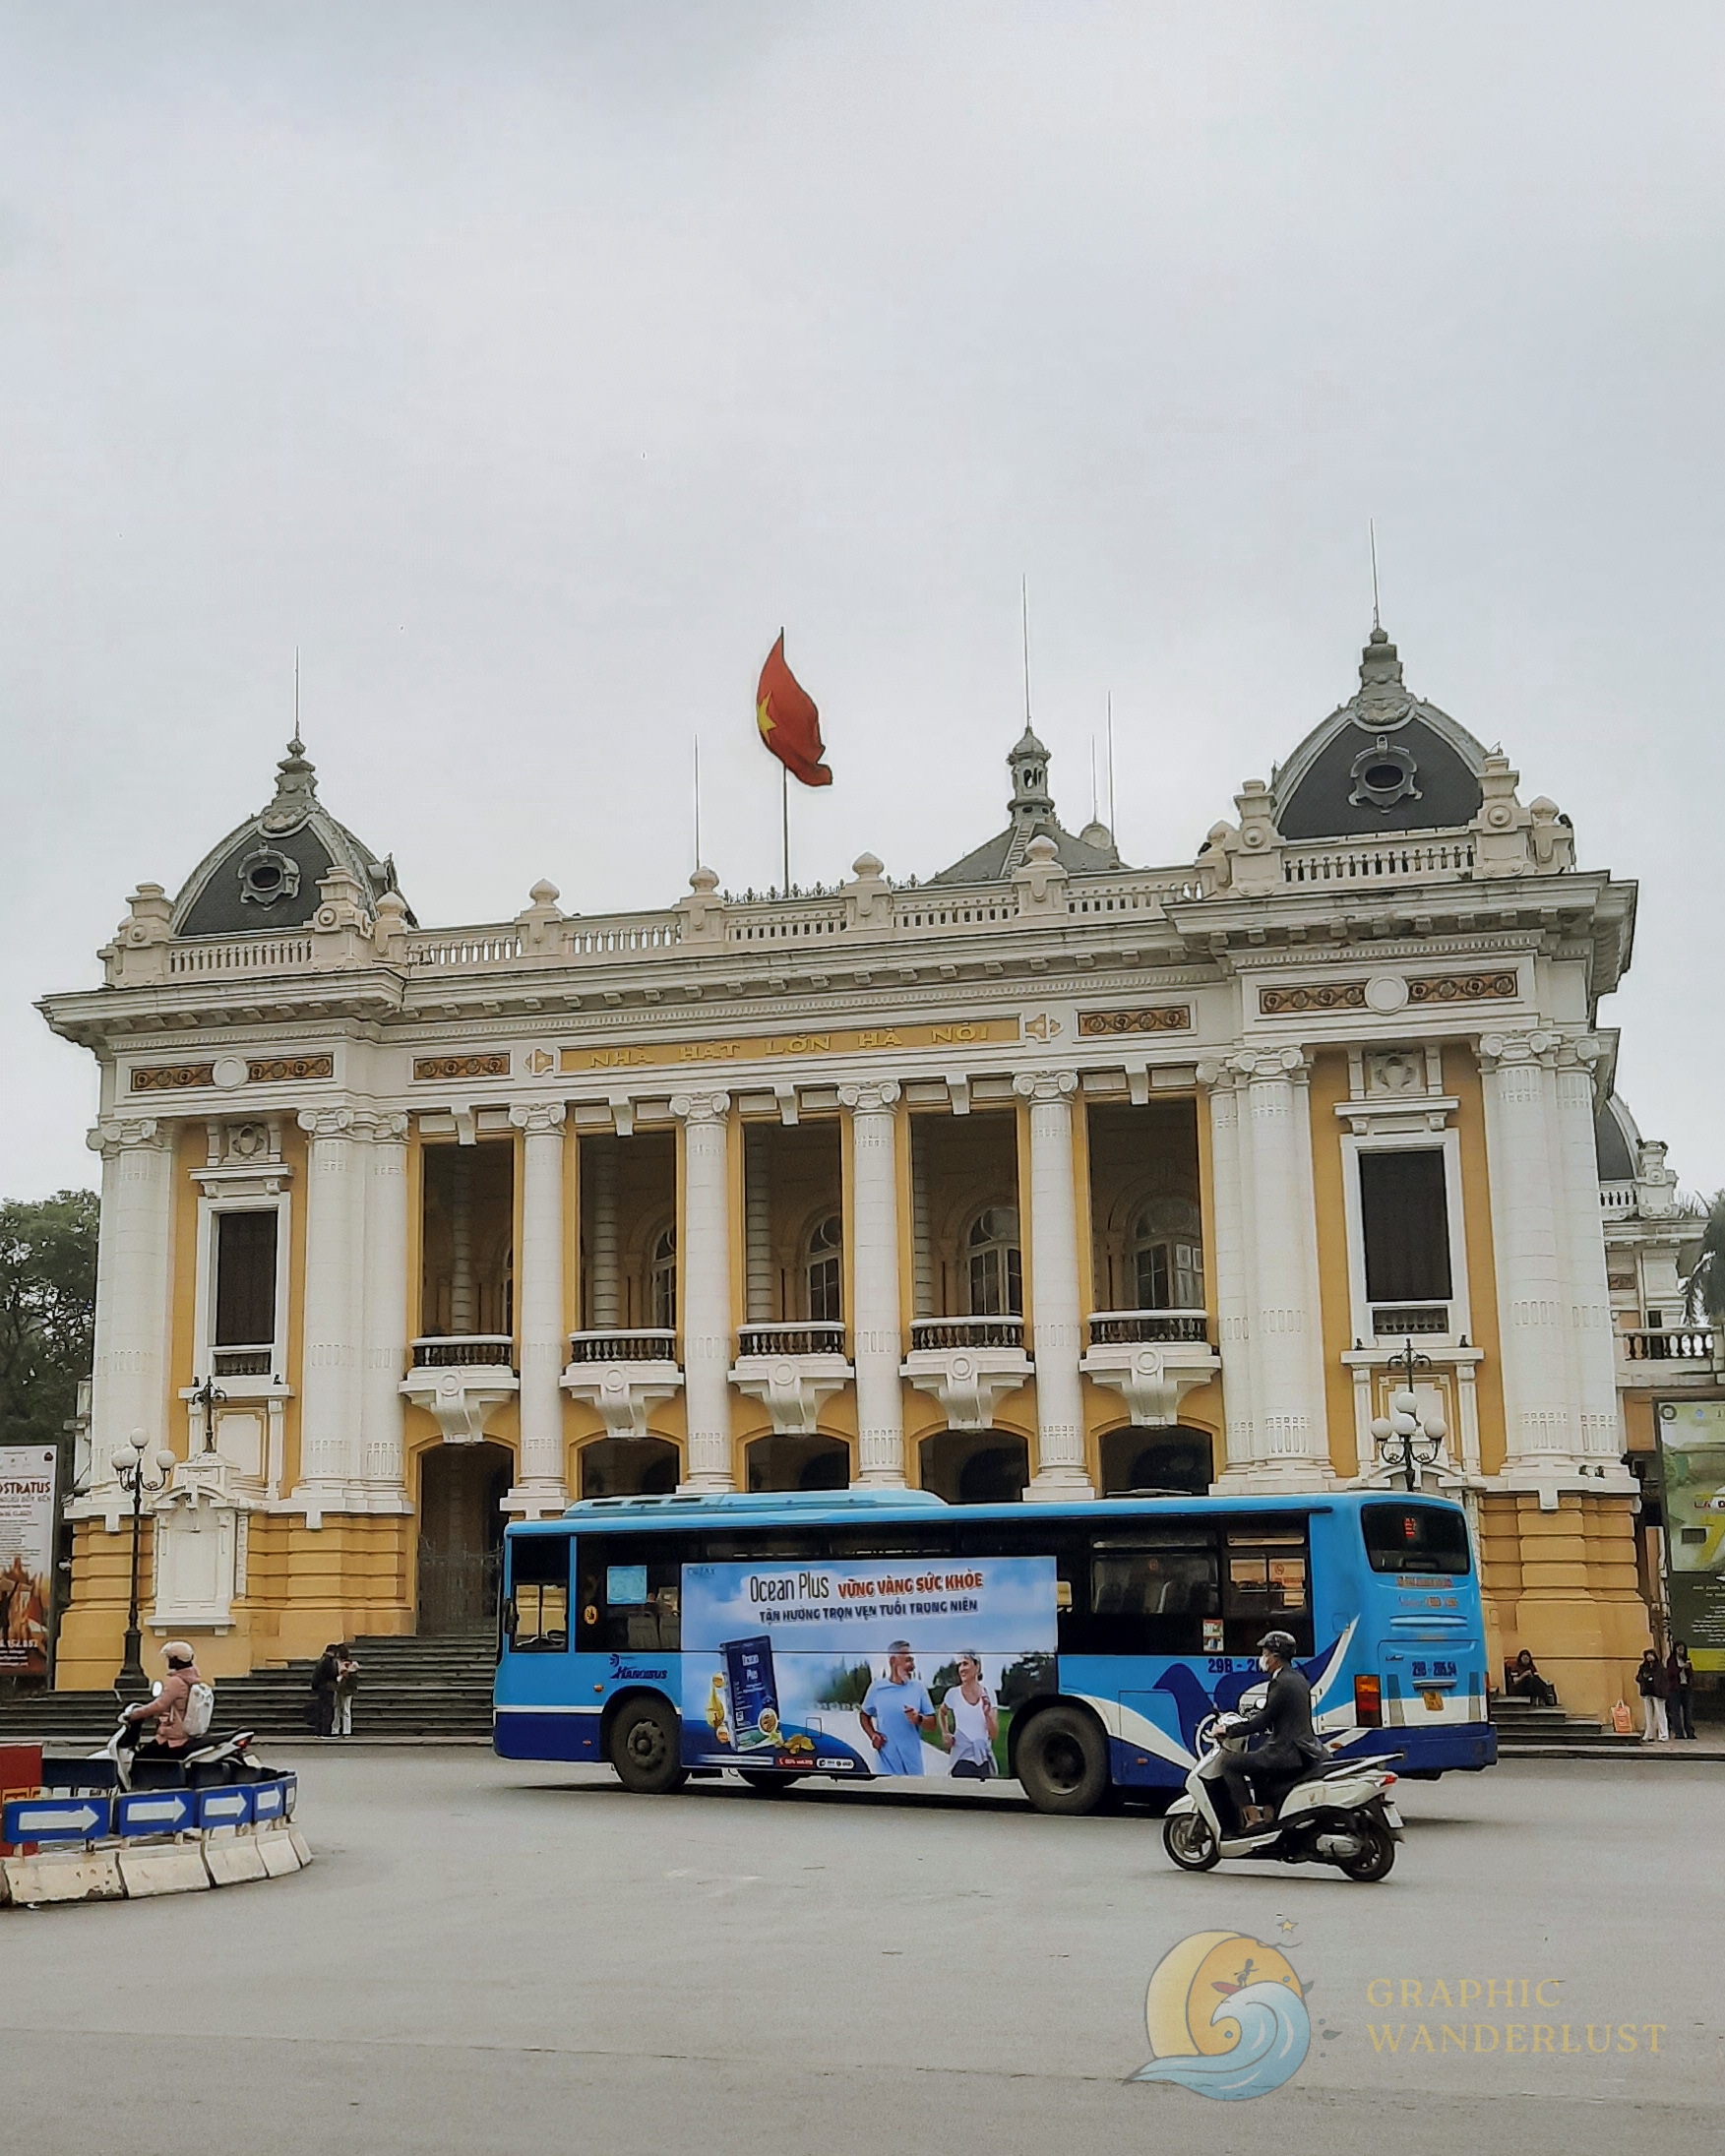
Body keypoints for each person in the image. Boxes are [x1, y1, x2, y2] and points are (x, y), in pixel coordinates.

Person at [1215, 1631, 1326, 1830]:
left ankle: (1252, 1818)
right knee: (1256, 1766)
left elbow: (1263, 1722)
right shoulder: (1298, 1679)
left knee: (1229, 1764)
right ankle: (1269, 1814)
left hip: (1285, 1752)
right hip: (1300, 1750)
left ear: (1274, 1657)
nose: (1262, 1658)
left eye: (1265, 1653)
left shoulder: (1281, 1683)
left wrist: (1228, 1730)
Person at [859, 1642, 936, 1775]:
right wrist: (873, 1735)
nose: (912, 1666)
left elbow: (932, 1724)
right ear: (893, 1660)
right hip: (886, 1767)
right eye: (908, 1660)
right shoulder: (877, 1688)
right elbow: (864, 1715)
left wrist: (918, 1718)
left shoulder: (918, 1688)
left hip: (913, 1768)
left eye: (912, 1661)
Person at [122, 1640, 205, 1758]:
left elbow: (160, 1705)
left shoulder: (176, 1681)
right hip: (183, 1733)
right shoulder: (191, 1678)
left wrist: (135, 1714)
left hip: (172, 1737)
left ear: (175, 1659)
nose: (168, 1661)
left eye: (169, 1658)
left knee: (141, 1759)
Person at [939, 1652, 999, 1779]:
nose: (961, 1669)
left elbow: (993, 1734)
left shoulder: (988, 1694)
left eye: (965, 1664)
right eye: (959, 1665)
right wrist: (945, 1733)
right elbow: (942, 1711)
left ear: (977, 1667)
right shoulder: (953, 1694)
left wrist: (987, 1714)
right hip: (961, 1760)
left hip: (983, 1761)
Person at [1635, 1646, 1670, 1743]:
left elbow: (1663, 1680)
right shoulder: (1643, 1667)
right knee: (1648, 1715)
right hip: (1647, 1692)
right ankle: (1649, 1734)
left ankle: (1663, 1734)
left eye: (1651, 1655)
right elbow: (1638, 1678)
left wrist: (1653, 1679)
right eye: (1647, 1655)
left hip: (1658, 1693)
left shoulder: (1660, 1667)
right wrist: (1644, 1678)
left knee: (1660, 1713)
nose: (1649, 1657)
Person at [309, 1642, 341, 1738]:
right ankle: (325, 1731)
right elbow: (331, 1675)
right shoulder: (328, 1661)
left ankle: (319, 1730)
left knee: (322, 1709)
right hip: (327, 1687)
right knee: (327, 1710)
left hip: (321, 1687)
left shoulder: (322, 1660)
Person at [1666, 1641, 1695, 1741]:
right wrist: (1680, 1668)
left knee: (1688, 1711)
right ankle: (1679, 1733)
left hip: (1686, 1687)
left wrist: (1688, 1669)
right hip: (1675, 1689)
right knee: (1675, 1711)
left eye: (1682, 1649)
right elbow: (1670, 1673)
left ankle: (1690, 1732)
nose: (1680, 1651)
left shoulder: (1686, 1660)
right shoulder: (1671, 1661)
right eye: (1679, 1648)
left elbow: (1691, 1674)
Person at [332, 1643, 360, 1739]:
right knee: (345, 1709)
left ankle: (336, 1729)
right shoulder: (351, 1664)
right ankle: (346, 1730)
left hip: (341, 1687)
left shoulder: (340, 1663)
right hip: (347, 1689)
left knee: (339, 1708)